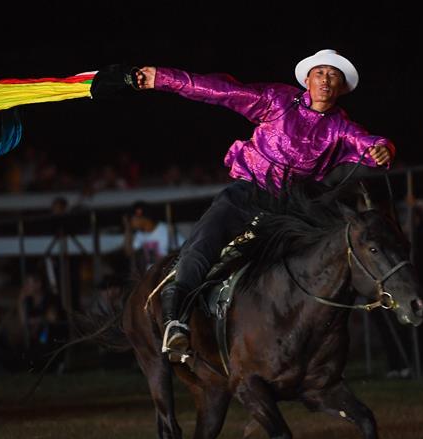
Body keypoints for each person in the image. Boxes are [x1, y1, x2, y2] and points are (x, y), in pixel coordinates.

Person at [122, 50, 396, 363]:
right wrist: (162, 78)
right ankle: (175, 320)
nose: (325, 79)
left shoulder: (340, 127)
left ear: (340, 87)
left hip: (291, 208)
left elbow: (371, 142)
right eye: (319, 73)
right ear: (307, 79)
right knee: (203, 242)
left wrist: (382, 149)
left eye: (332, 76)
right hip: (246, 194)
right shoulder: (277, 100)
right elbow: (219, 91)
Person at [123, 200, 185, 271]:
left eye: (131, 219)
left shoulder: (166, 230)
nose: (130, 222)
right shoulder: (139, 235)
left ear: (141, 217)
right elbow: (129, 252)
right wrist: (127, 228)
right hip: (151, 276)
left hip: (166, 273)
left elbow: (183, 248)